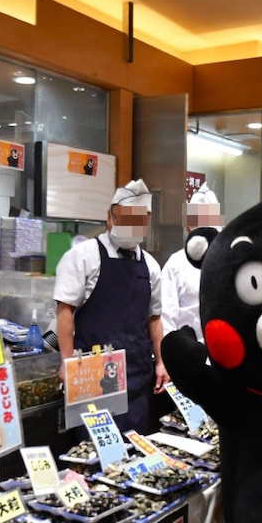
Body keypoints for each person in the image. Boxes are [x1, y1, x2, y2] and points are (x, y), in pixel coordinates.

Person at [53, 178, 170, 434]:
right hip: (93, 374)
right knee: (93, 452)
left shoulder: (150, 265)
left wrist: (161, 361)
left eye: (139, 221)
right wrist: (66, 361)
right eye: (126, 219)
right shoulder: (83, 256)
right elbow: (65, 311)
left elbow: (155, 318)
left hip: (137, 374)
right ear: (110, 217)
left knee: (134, 446)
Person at [161, 183, 224, 341]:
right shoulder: (176, 264)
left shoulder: (228, 260)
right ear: (188, 225)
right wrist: (168, 356)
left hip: (224, 351)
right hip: (187, 353)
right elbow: (166, 315)